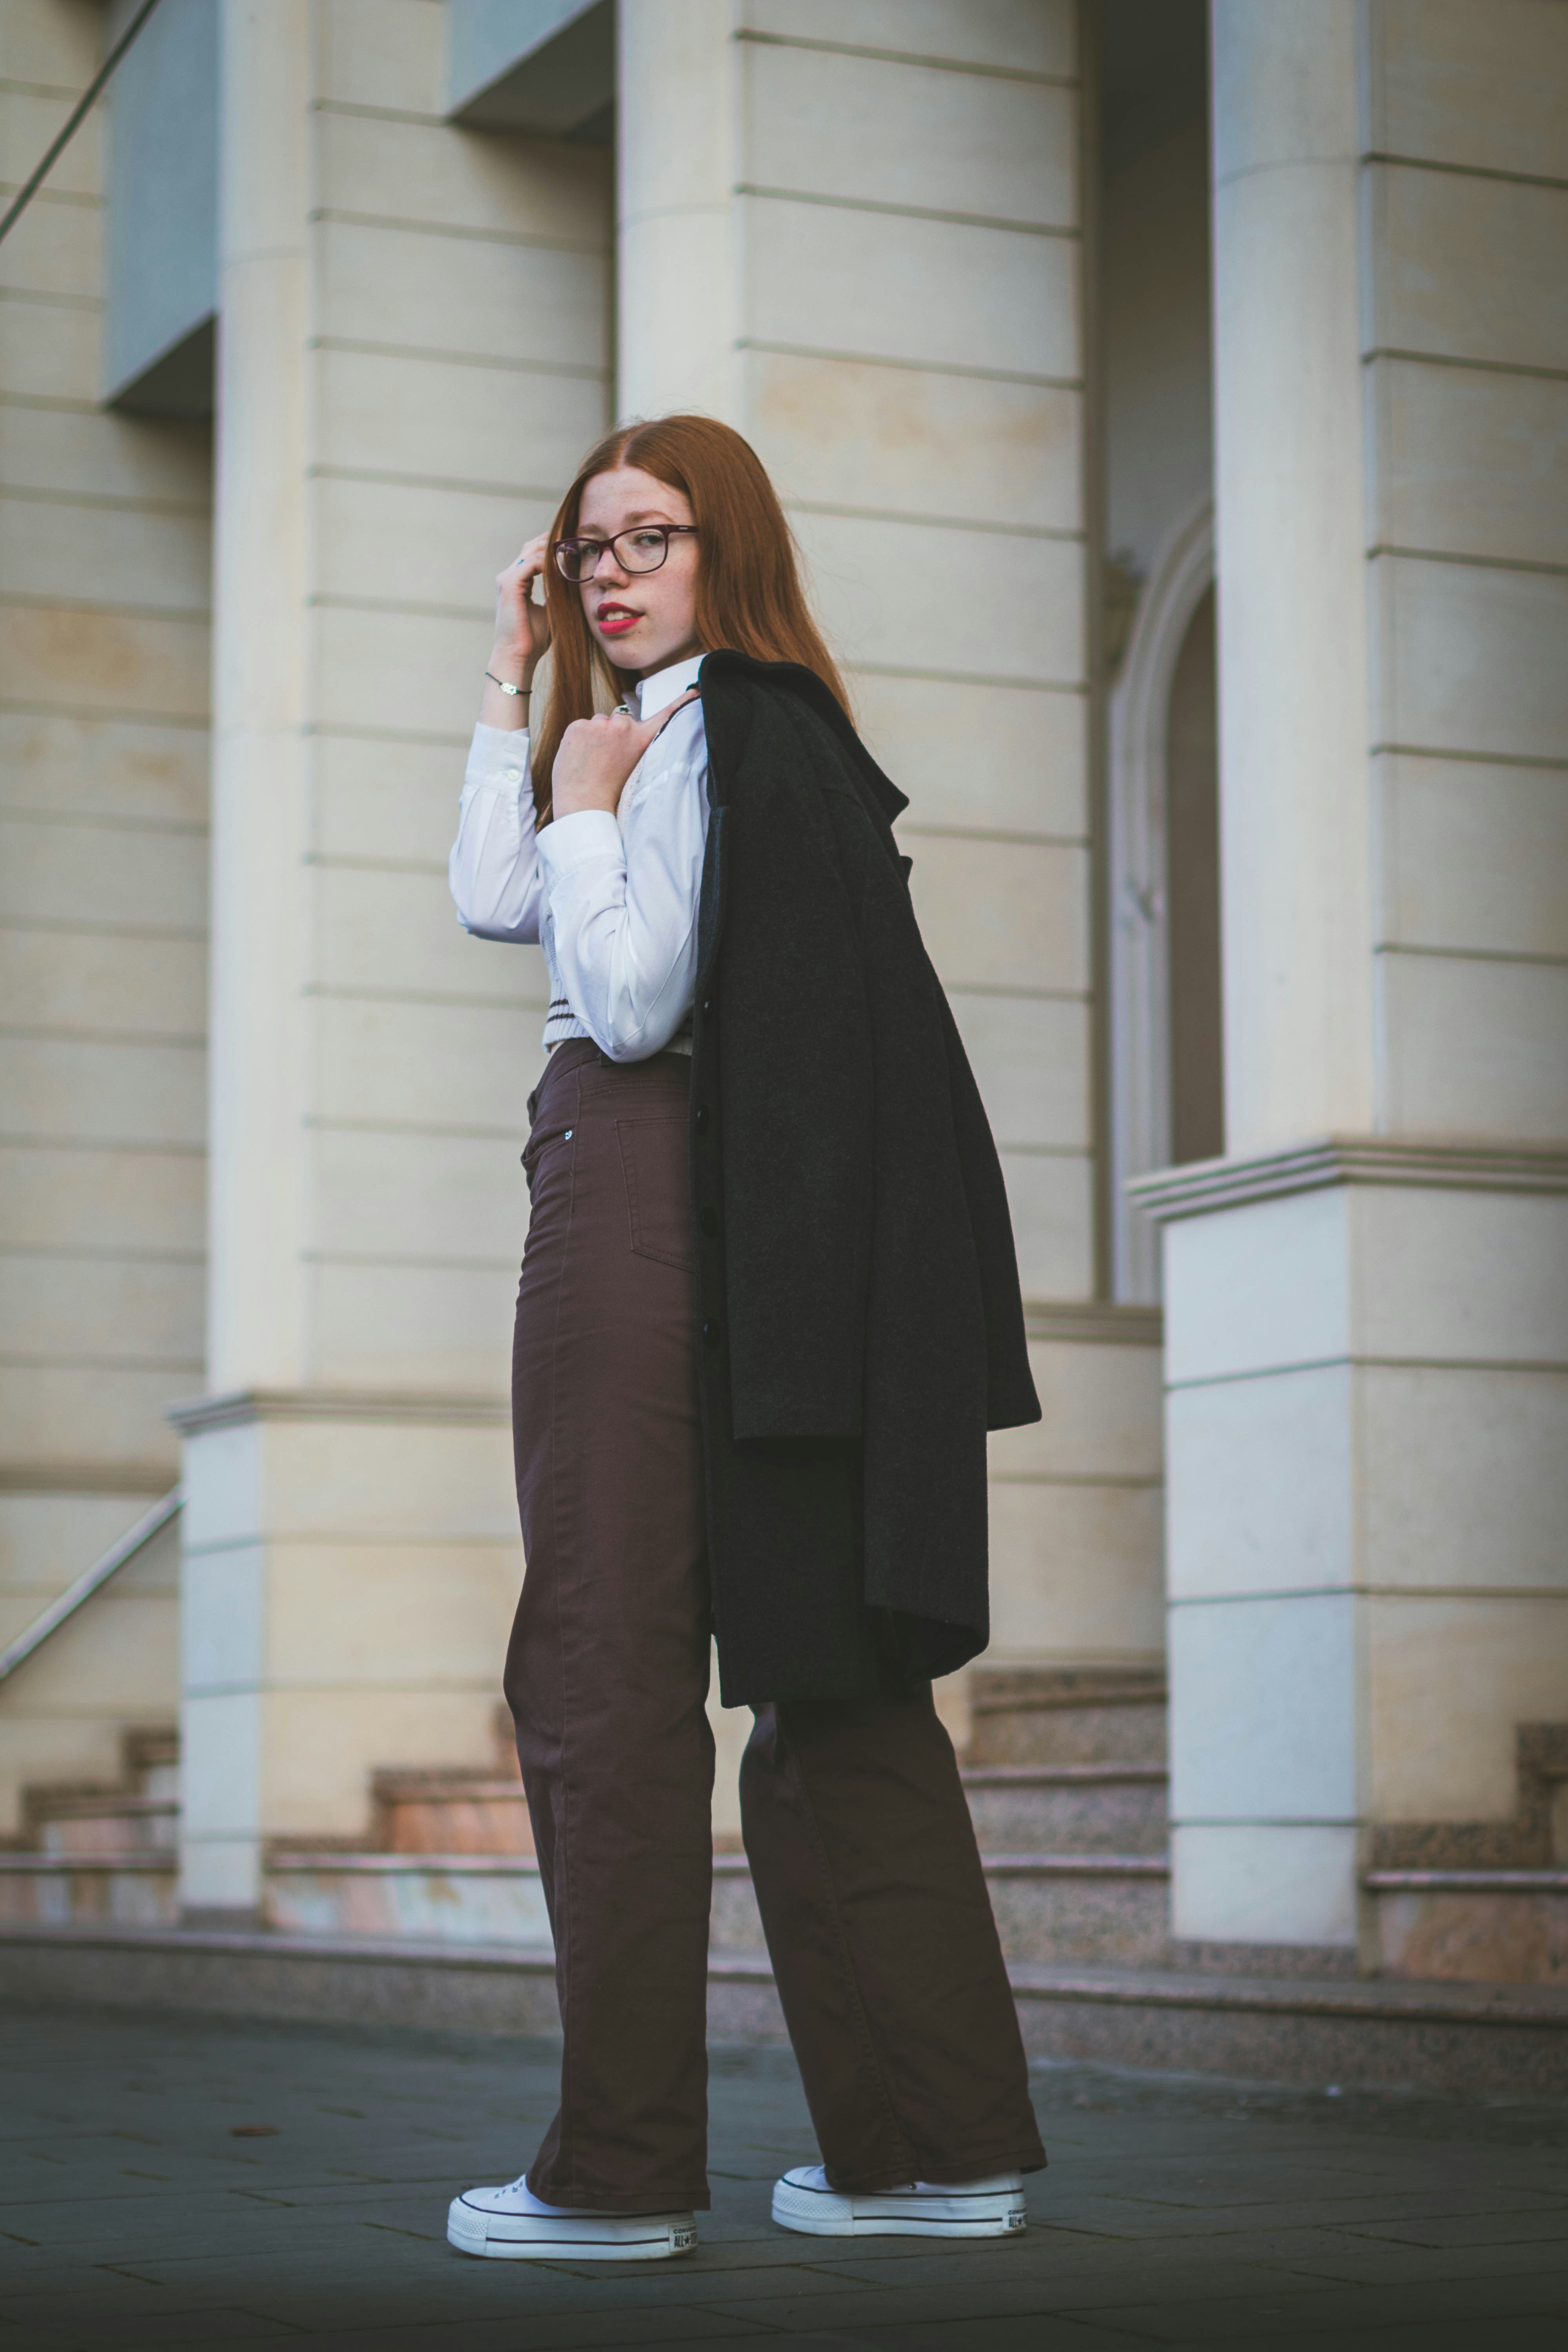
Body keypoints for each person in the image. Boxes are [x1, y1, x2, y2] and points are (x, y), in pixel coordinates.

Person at [444, 416, 1046, 2263]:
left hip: (635, 1189)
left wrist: (593, 801)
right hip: (754, 1231)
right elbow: (488, 898)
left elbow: (623, 1005)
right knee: (821, 1667)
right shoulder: (689, 730)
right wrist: (517, 698)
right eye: (586, 542)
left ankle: (618, 2171)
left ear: (729, 549)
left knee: (606, 1669)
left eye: (650, 536)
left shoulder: (704, 736)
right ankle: (935, 2148)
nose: (612, 570)